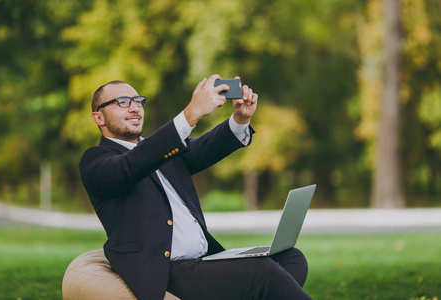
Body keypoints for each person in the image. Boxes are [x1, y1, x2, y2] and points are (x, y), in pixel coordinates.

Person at [79, 74, 312, 300]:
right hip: (167, 271)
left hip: (206, 260)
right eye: (122, 102)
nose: (135, 108)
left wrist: (240, 120)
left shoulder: (161, 151)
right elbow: (131, 165)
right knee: (263, 272)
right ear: (98, 118)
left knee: (291, 257)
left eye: (139, 101)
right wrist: (190, 114)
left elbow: (204, 147)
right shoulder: (96, 161)